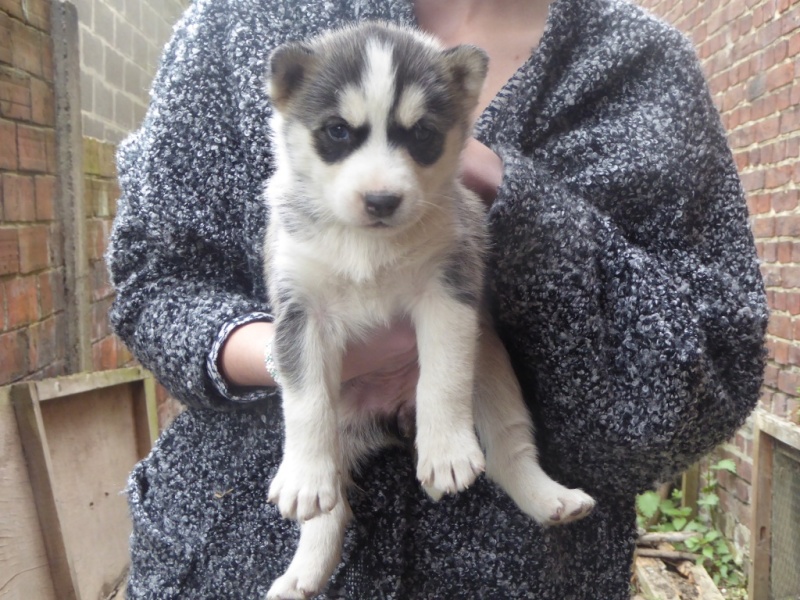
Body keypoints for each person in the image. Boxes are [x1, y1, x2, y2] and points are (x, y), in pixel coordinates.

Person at [107, 0, 768, 597]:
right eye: (339, 135)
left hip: (531, 576)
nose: (383, 179)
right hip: (223, 556)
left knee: (482, 356)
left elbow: (711, 369)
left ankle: (521, 471)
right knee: (318, 481)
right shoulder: (238, 18)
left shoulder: (640, 62)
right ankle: (314, 544)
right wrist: (289, 360)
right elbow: (153, 280)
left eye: (420, 140)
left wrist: (515, 201)